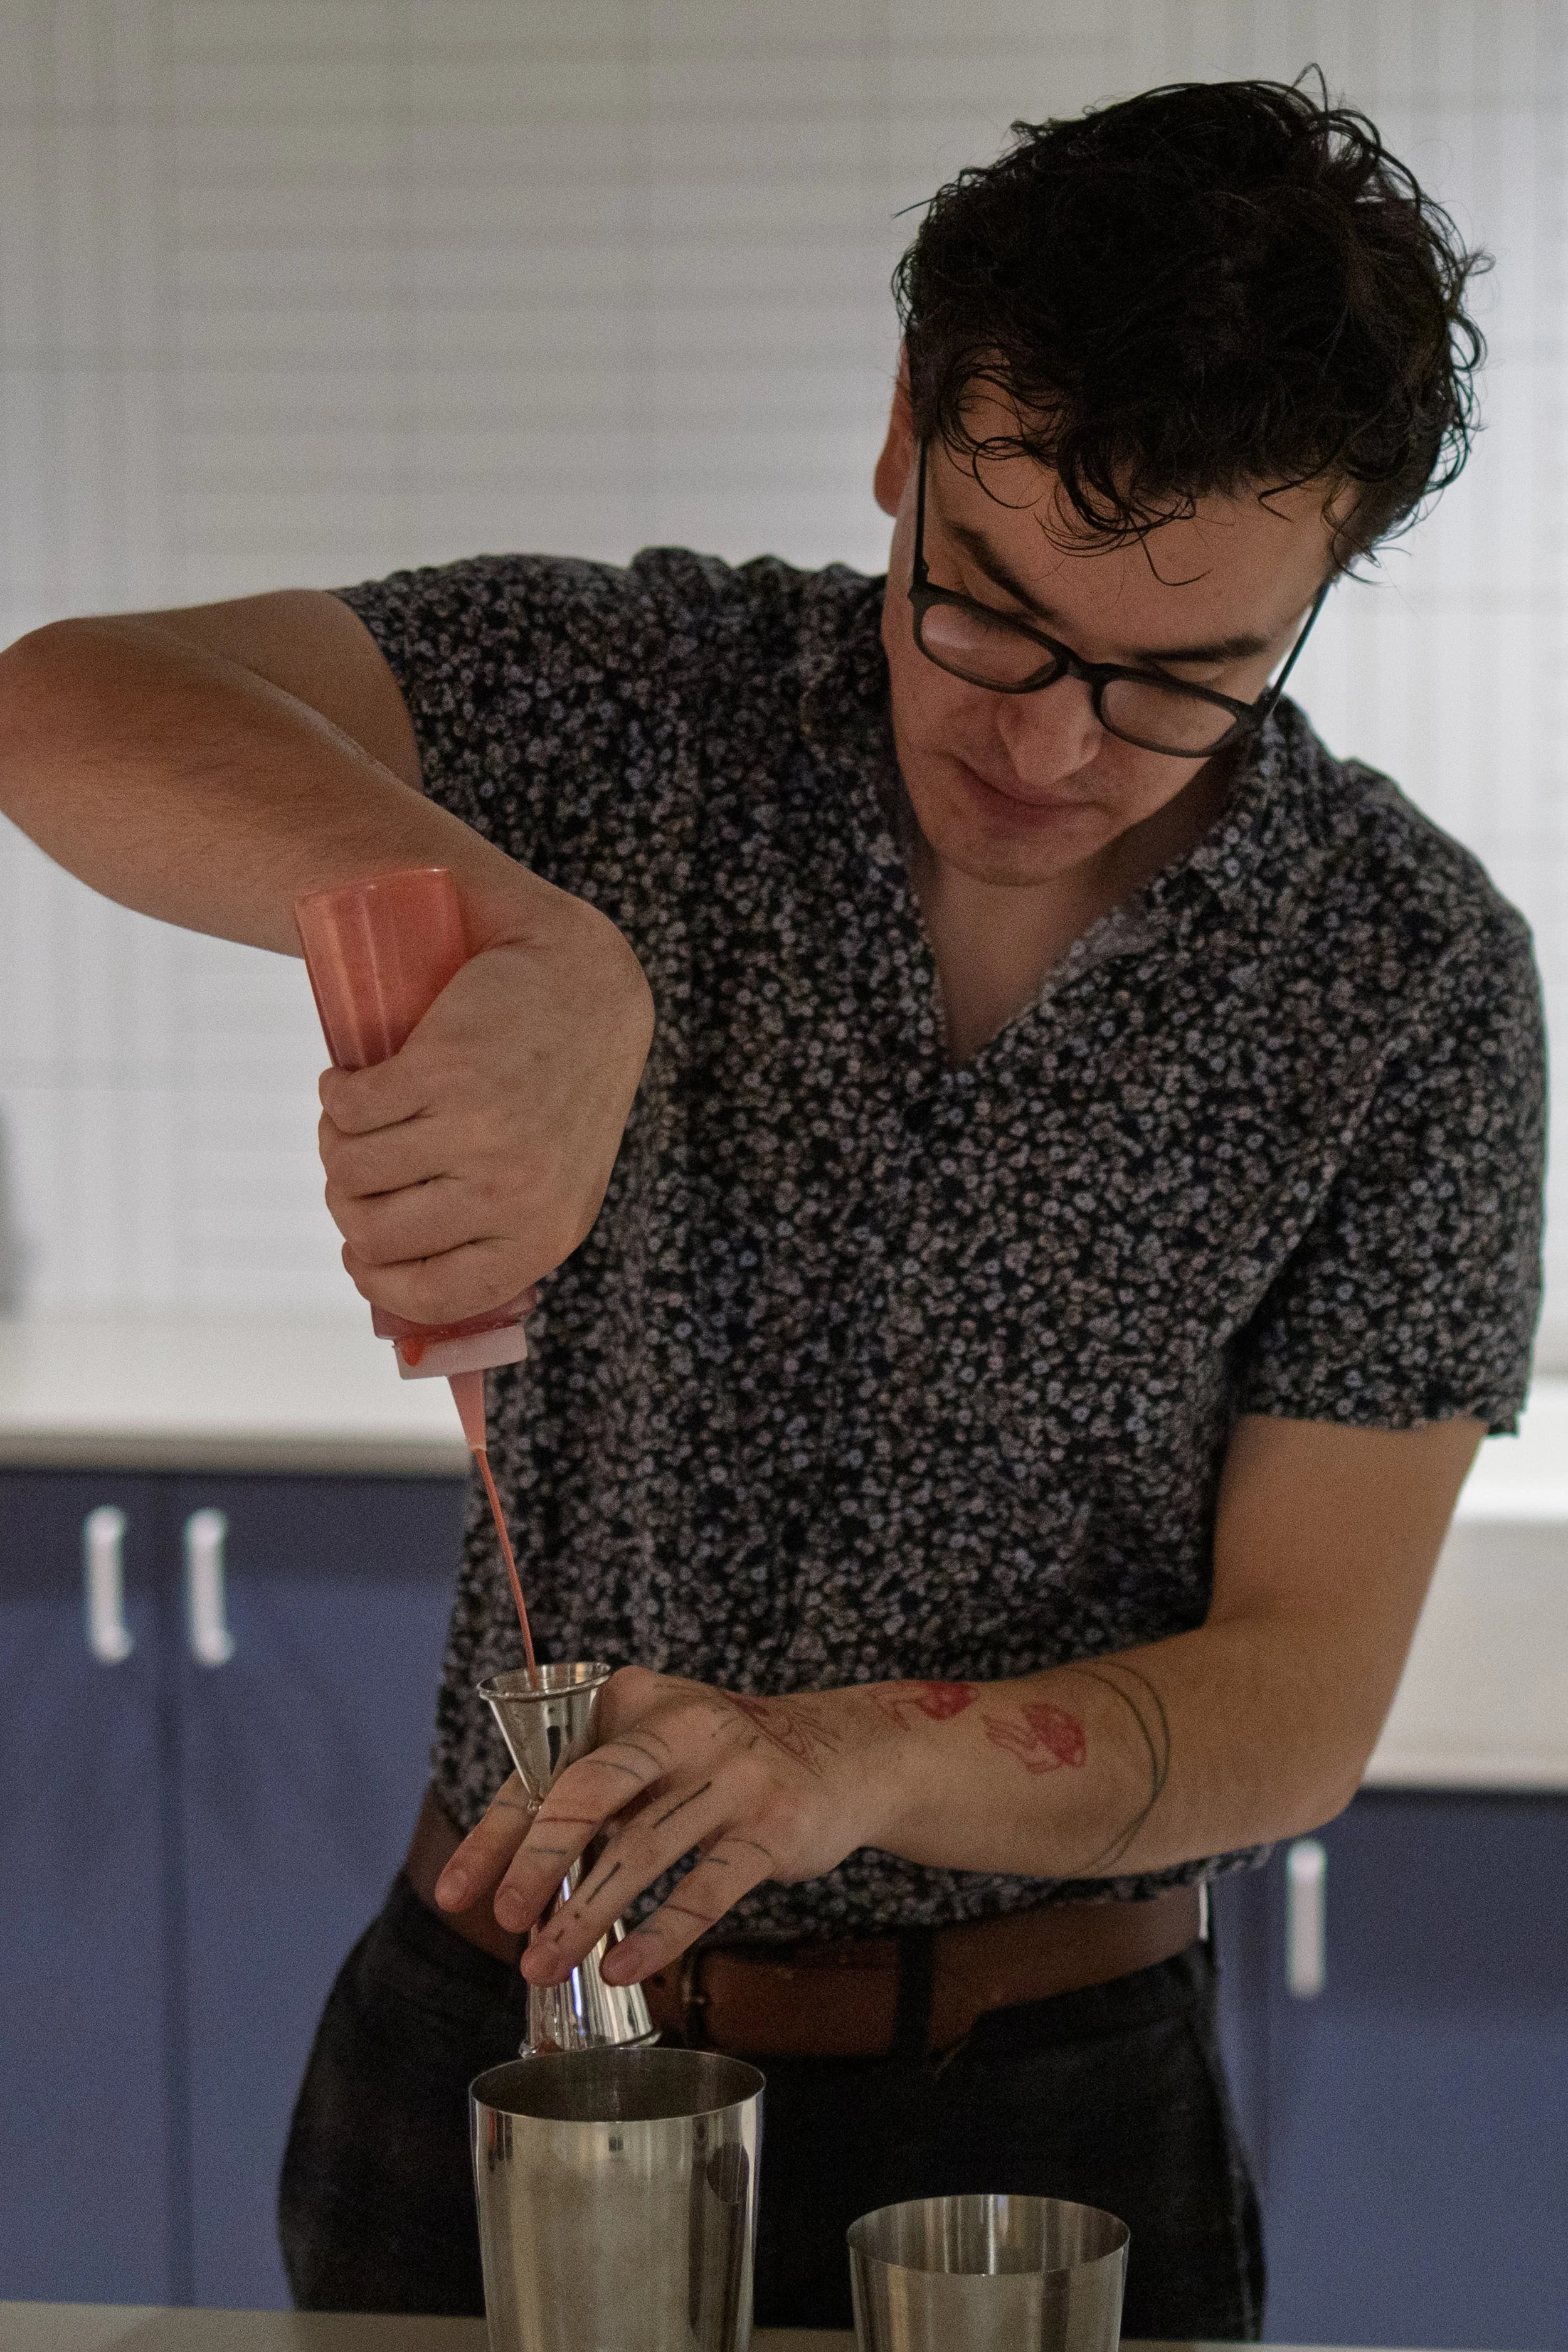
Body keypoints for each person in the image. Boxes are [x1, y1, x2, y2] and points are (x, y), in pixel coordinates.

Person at [0, 75, 1545, 2339]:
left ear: (1319, 583)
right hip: (504, 2054)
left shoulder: (1401, 975)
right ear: (906, 429)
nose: (1044, 746)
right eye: (991, 616)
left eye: (1179, 684)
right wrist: (529, 940)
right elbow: (67, 702)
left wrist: (848, 1761)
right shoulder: (642, 712)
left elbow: (1297, 1698)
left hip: (1048, 2122)